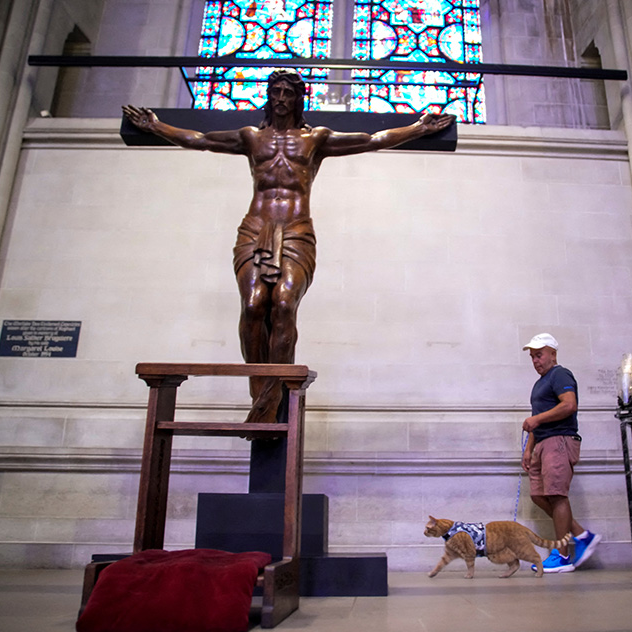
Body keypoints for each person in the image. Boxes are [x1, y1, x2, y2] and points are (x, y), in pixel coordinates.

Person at [122, 70, 455, 423]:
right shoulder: (251, 138)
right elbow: (200, 139)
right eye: (275, 92)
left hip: (296, 230)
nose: (281, 98)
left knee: (283, 303)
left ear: (298, 99)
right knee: (253, 305)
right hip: (255, 229)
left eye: (287, 93)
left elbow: (372, 139)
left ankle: (274, 395)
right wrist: (156, 126)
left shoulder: (316, 139)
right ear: (268, 96)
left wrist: (418, 129)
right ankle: (260, 392)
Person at [521, 332, 601, 573]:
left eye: (539, 355)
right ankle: (581, 535)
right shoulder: (539, 383)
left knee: (556, 496)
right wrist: (528, 449)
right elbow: (537, 420)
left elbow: (569, 405)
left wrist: (537, 420)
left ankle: (563, 555)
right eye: (532, 357)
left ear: (553, 354)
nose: (535, 360)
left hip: (559, 441)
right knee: (538, 495)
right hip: (542, 444)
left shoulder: (560, 374)